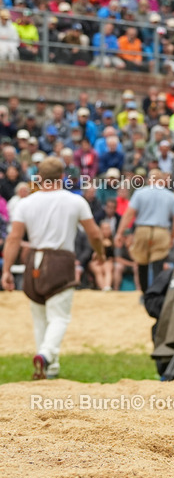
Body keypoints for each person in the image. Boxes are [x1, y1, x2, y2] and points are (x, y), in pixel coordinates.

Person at [2, 157, 105, 379]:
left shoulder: (25, 203)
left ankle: (50, 367)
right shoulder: (75, 201)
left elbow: (13, 239)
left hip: (34, 261)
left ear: (39, 178)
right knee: (59, 317)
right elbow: (95, 234)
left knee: (40, 316)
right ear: (62, 178)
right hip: (61, 260)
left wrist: (6, 270)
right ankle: (47, 354)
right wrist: (101, 252)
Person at [114, 170, 174, 289]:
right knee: (158, 263)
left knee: (141, 262)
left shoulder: (140, 193)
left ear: (149, 179)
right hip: (161, 231)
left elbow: (129, 214)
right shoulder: (170, 195)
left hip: (142, 230)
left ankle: (145, 293)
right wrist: (172, 235)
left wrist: (119, 233)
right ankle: (155, 293)